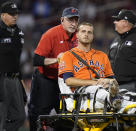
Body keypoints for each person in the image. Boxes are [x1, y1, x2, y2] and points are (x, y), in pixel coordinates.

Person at [28, 7, 79, 131]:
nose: (73, 23)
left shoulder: (78, 36)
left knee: (66, 116)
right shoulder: (51, 34)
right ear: (62, 20)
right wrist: (57, 59)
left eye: (76, 20)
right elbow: (37, 60)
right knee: (38, 115)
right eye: (70, 20)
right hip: (45, 79)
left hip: (64, 82)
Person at [58, 22, 119, 110]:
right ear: (77, 35)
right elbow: (68, 81)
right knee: (100, 91)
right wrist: (94, 83)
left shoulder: (102, 55)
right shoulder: (68, 55)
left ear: (93, 36)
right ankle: (113, 99)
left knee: (123, 94)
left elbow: (112, 80)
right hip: (82, 92)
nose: (86, 34)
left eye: (89, 32)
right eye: (83, 31)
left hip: (104, 88)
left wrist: (106, 81)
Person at [108, 9, 136, 93]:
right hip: (112, 86)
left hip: (131, 87)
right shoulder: (115, 40)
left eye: (118, 20)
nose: (115, 22)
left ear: (125, 23)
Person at [0, 1, 26, 131]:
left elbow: (16, 60)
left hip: (15, 79)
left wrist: (21, 84)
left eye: (16, 14)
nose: (15, 16)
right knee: (1, 116)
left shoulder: (18, 32)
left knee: (20, 117)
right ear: (2, 15)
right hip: (1, 78)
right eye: (11, 14)